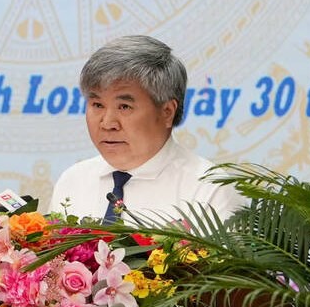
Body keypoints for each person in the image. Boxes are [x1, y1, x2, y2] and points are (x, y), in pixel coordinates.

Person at [49, 35, 243, 223]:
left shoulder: (210, 190)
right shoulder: (74, 181)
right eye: (97, 105)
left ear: (167, 112)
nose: (107, 124)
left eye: (124, 107)